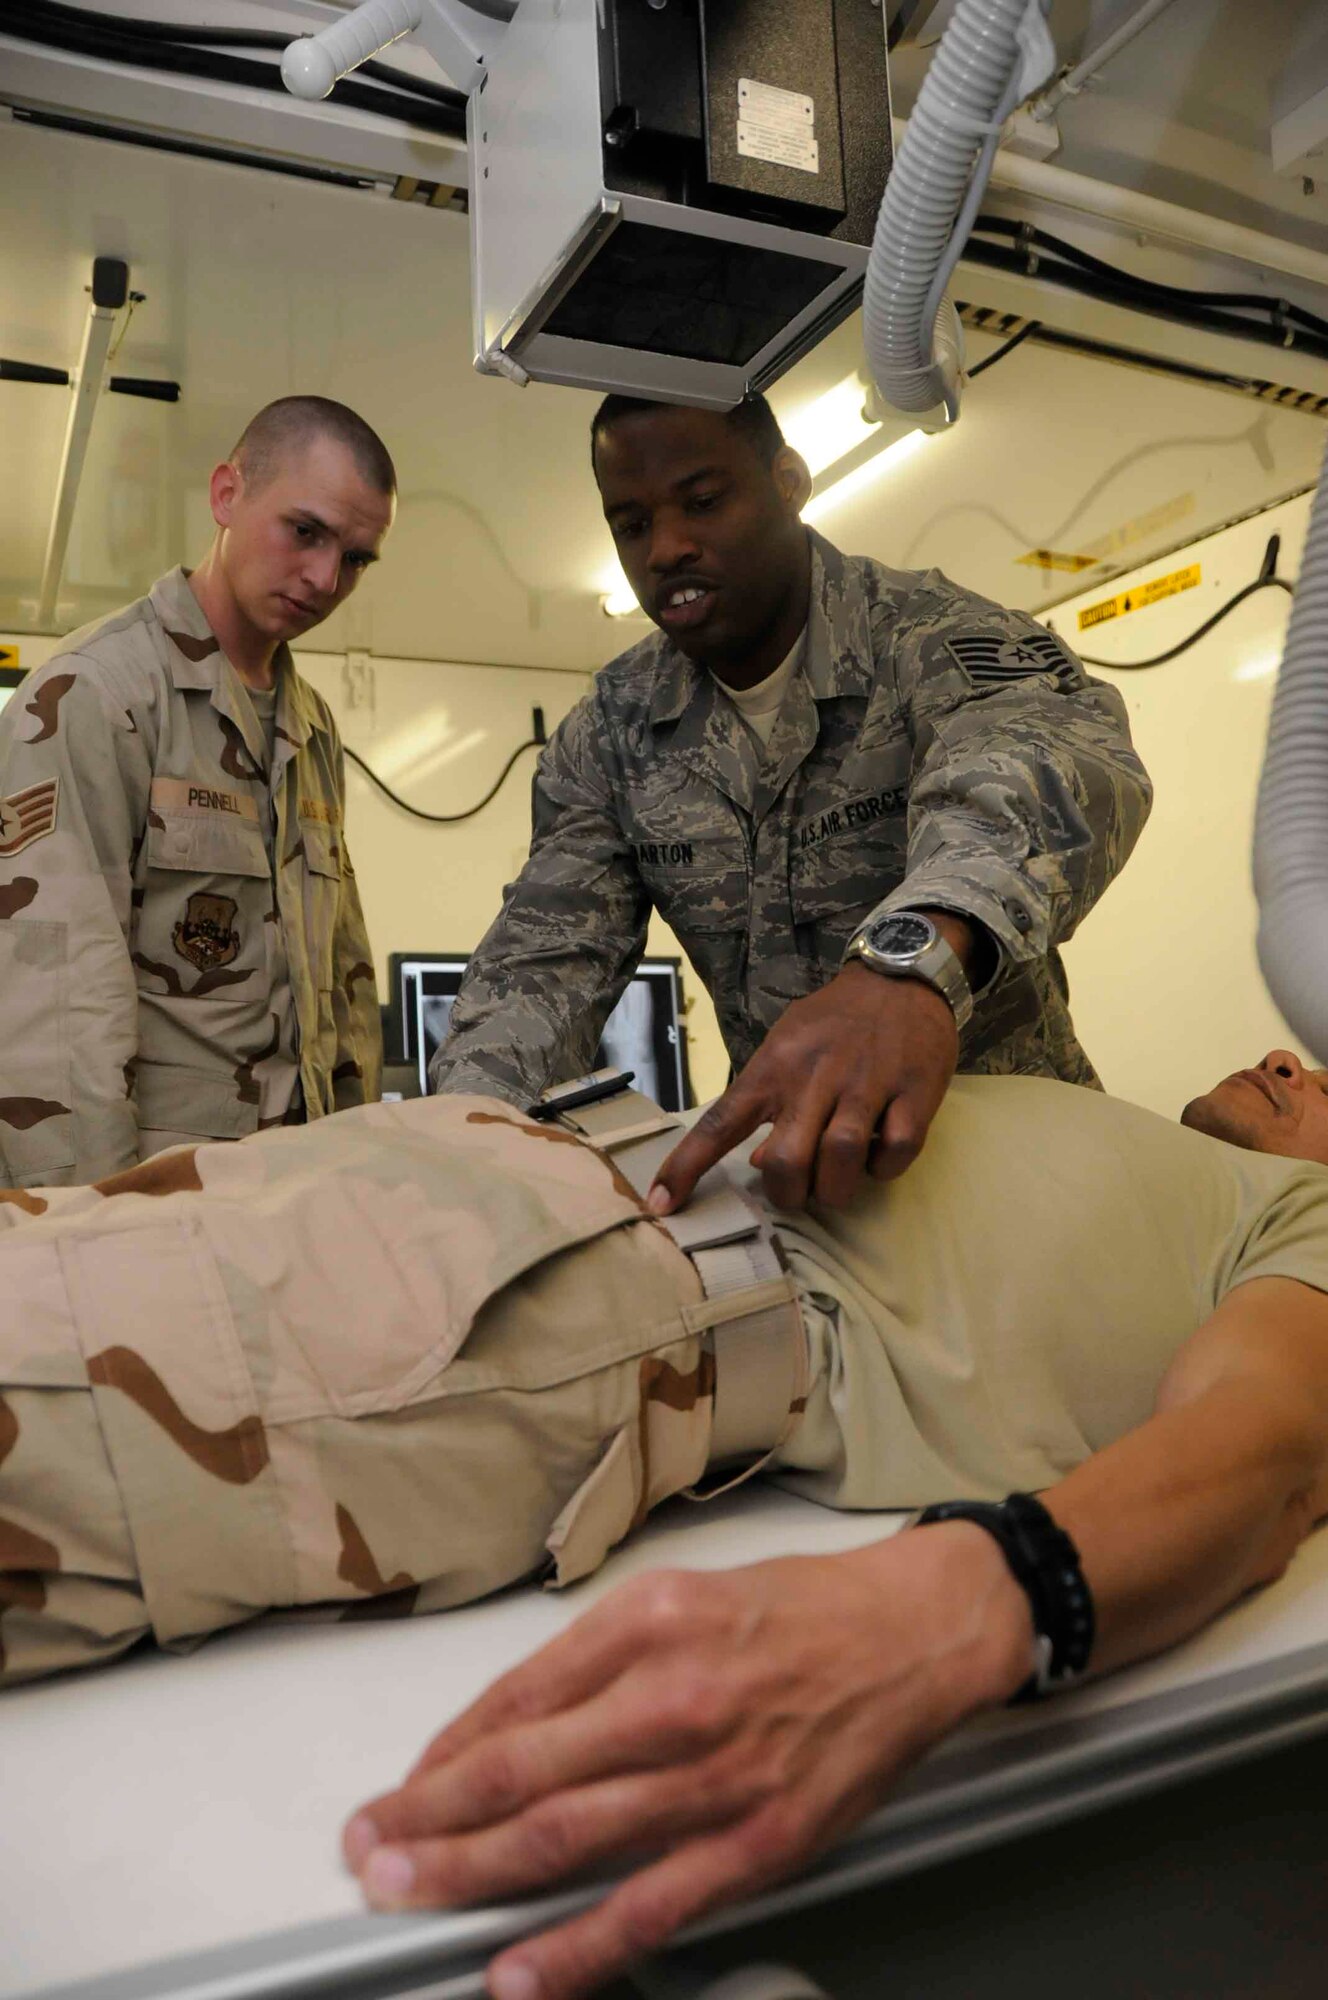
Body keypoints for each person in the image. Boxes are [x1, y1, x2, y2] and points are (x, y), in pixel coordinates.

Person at [6, 1046, 1328, 1988]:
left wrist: (965, 1601)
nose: (1288, 1056)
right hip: (471, 1177)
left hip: (565, 1292)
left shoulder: (1299, 1218)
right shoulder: (1118, 1126)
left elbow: (1260, 1446)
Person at [431, 393, 1152, 1213]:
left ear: (789, 481)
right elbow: (544, 959)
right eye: (631, 525)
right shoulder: (613, 731)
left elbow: (1046, 767)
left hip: (1019, 1176)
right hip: (800, 1188)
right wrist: (461, 1134)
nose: (666, 548)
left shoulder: (928, 635)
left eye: (703, 502)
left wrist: (912, 965)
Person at [0, 396, 393, 1189]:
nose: (324, 578)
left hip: (297, 1193)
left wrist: (361, 1179)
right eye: (305, 531)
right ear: (226, 495)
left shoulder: (310, 724)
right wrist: (95, 1227)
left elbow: (342, 983)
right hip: (161, 1199)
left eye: (355, 558)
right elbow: (54, 1000)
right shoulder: (95, 695)